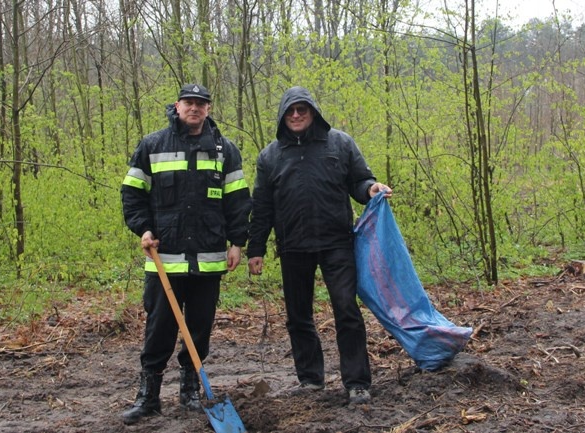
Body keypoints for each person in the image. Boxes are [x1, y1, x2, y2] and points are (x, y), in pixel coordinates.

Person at [247, 86, 392, 406]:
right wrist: (255, 249)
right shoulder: (270, 156)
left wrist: (371, 189)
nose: (297, 115)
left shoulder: (339, 143)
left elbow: (359, 180)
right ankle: (310, 379)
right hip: (293, 246)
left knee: (346, 309)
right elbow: (262, 207)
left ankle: (357, 382)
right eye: (291, 111)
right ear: (283, 116)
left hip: (337, 242)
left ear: (313, 112)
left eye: (302, 110)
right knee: (298, 316)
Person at [120, 83, 251, 424]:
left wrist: (237, 242)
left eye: (201, 103)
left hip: (208, 259)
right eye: (189, 102)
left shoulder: (225, 150)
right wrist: (144, 229)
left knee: (199, 329)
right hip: (165, 261)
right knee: (159, 328)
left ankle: (190, 392)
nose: (194, 108)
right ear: (177, 106)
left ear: (208, 108)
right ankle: (148, 396)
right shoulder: (153, 146)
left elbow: (238, 200)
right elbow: (132, 195)